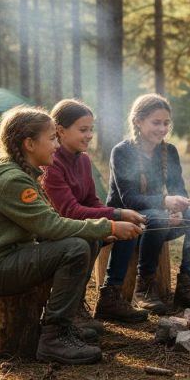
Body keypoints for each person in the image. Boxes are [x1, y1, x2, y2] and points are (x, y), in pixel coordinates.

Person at [0, 106, 143, 365]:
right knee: (75, 248)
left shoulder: (24, 175)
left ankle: (67, 322)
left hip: (8, 259)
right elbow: (52, 226)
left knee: (83, 241)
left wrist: (101, 229)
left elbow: (50, 226)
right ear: (29, 144)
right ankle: (54, 338)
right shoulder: (13, 181)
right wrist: (111, 226)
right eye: (51, 138)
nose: (56, 146)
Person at [43, 99, 149, 325]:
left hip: (80, 226)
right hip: (56, 232)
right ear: (60, 131)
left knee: (128, 231)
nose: (90, 135)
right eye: (83, 130)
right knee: (93, 237)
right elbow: (69, 211)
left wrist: (120, 215)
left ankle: (110, 297)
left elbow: (91, 200)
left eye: (91, 129)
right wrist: (115, 217)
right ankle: (73, 306)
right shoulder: (51, 163)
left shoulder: (83, 160)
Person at [107, 93, 190, 315]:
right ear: (138, 121)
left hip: (158, 218)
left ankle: (187, 286)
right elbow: (129, 199)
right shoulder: (122, 152)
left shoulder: (169, 151)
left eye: (166, 123)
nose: (162, 129)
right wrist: (164, 203)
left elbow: (178, 189)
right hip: (127, 218)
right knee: (158, 217)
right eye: (156, 122)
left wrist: (178, 208)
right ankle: (144, 288)